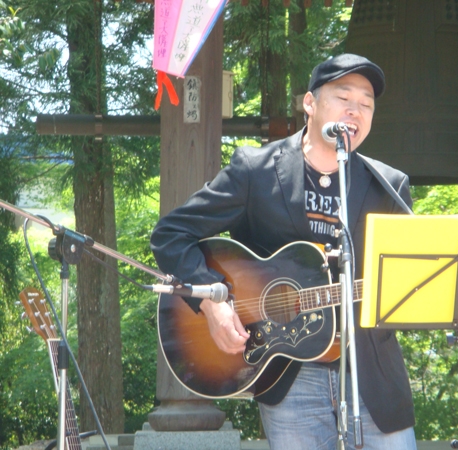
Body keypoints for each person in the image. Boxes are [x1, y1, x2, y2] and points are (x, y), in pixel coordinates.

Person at [150, 53, 416, 450]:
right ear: (310, 103)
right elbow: (171, 234)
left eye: (366, 104)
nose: (355, 110)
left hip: (372, 377)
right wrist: (212, 301)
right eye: (343, 97)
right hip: (289, 378)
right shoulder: (255, 170)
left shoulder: (388, 186)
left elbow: (410, 283)